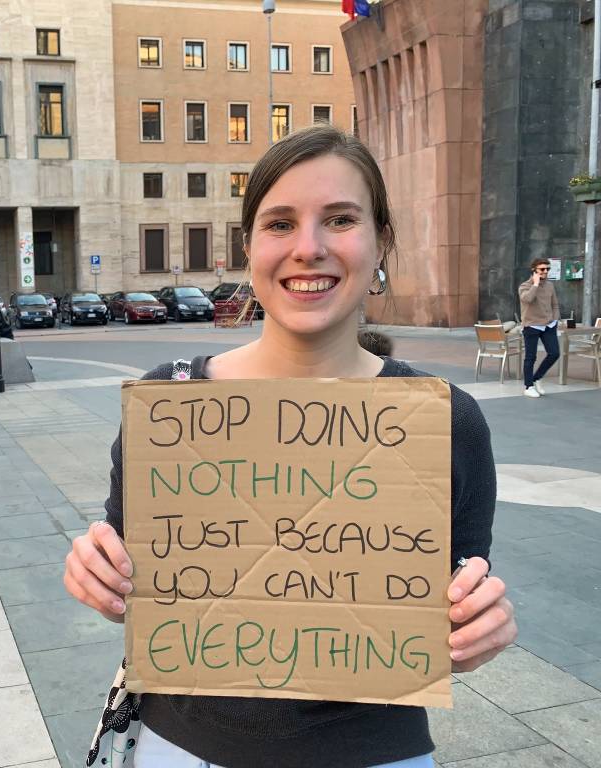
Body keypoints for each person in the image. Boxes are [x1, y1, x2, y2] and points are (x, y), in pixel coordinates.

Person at [64, 126, 517, 768]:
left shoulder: (447, 421)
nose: (309, 248)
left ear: (381, 240)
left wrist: (479, 623)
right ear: (249, 246)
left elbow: (458, 591)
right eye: (280, 223)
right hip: (180, 747)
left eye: (339, 219)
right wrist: (98, 571)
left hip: (373, 754)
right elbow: (136, 575)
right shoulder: (171, 401)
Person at [518, 258, 561, 398]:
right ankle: (528, 386)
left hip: (549, 325)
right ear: (534, 271)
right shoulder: (524, 286)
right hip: (531, 325)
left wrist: (555, 319)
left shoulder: (550, 286)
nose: (546, 272)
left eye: (548, 269)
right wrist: (535, 284)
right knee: (531, 357)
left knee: (554, 353)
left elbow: (555, 304)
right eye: (542, 269)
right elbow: (527, 299)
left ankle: (536, 378)